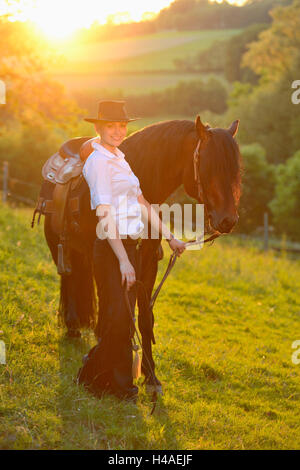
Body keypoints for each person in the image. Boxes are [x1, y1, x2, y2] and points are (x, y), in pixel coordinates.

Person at [77, 100, 186, 402]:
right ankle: (121, 388)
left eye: (122, 125)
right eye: (110, 126)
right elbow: (104, 214)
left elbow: (143, 202)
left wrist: (170, 237)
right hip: (112, 247)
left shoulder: (120, 158)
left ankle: (95, 377)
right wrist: (124, 261)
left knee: (121, 318)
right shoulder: (98, 162)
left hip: (131, 245)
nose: (117, 131)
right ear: (98, 128)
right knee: (118, 318)